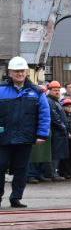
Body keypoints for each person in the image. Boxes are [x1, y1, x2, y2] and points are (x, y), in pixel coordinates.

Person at [0, 57, 51, 208]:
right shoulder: (1, 90)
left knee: (21, 169)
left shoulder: (37, 92)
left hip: (25, 138)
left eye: (22, 71)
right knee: (0, 166)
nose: (19, 73)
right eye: (16, 71)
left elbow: (44, 114)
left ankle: (16, 198)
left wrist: (42, 134)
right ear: (10, 72)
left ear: (26, 72)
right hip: (3, 137)